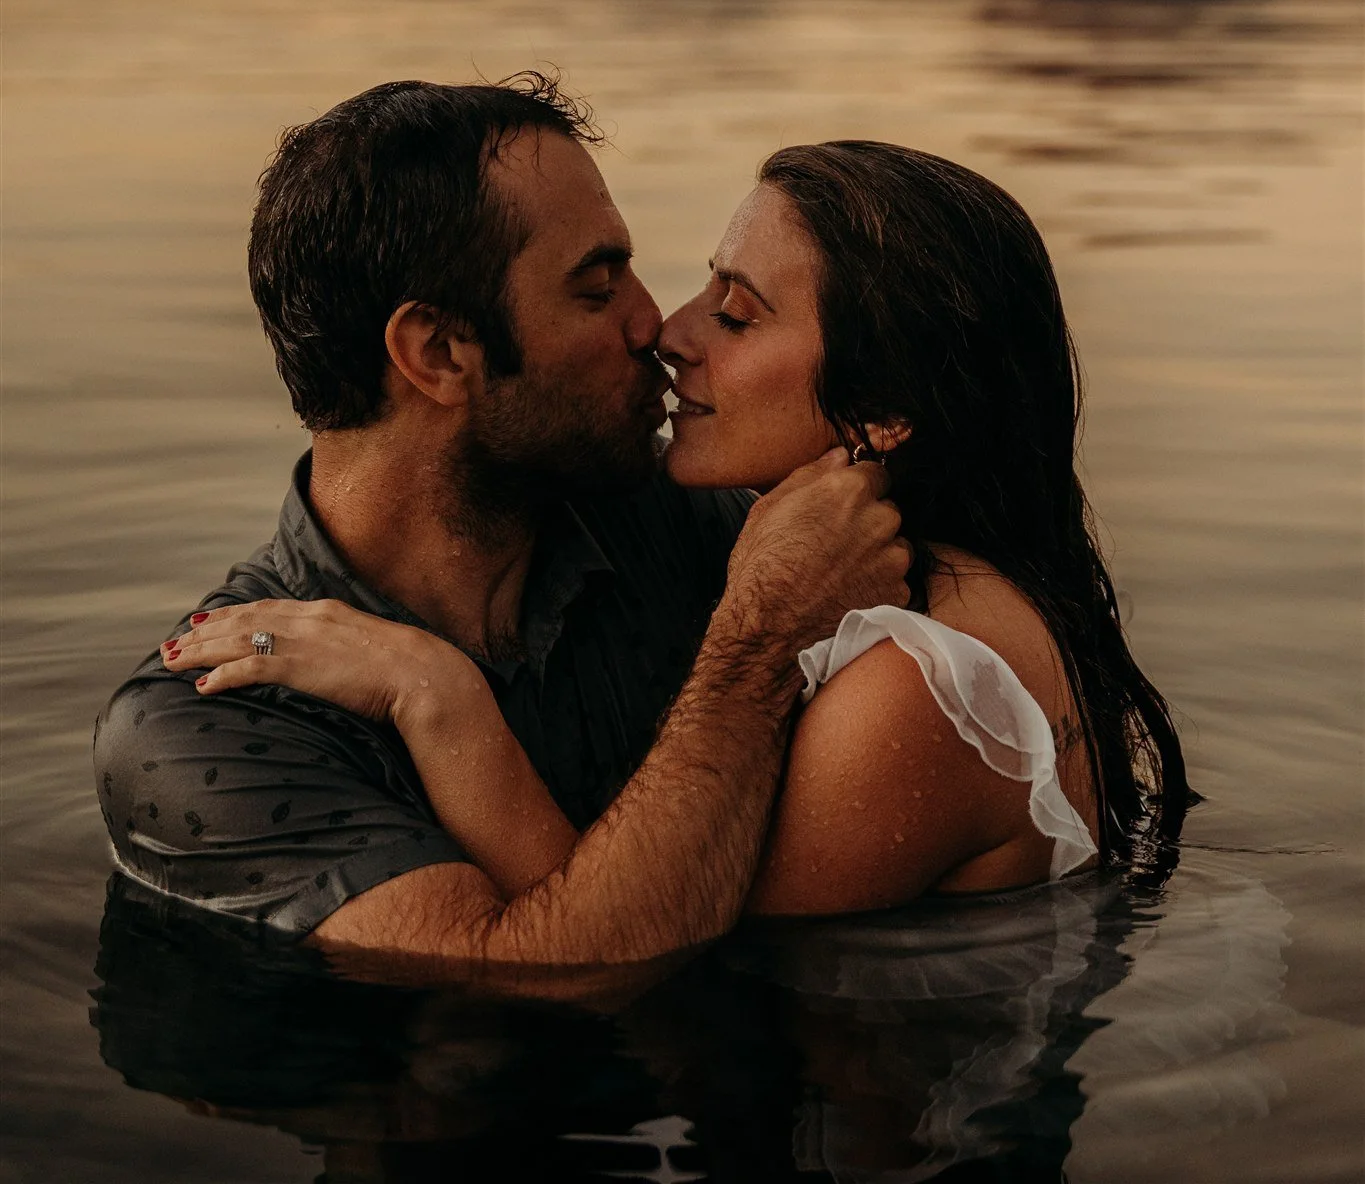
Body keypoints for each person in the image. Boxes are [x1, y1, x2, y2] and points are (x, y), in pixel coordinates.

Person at [166, 134, 1189, 932]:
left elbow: (659, 964)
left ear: (880, 411)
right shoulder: (917, 587)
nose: (672, 331)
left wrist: (438, 697)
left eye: (736, 314)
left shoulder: (919, 685)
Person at [94, 77, 907, 969]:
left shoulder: (685, 527)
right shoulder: (205, 729)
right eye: (597, 289)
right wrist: (753, 652)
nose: (656, 323)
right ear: (439, 353)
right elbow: (553, 982)